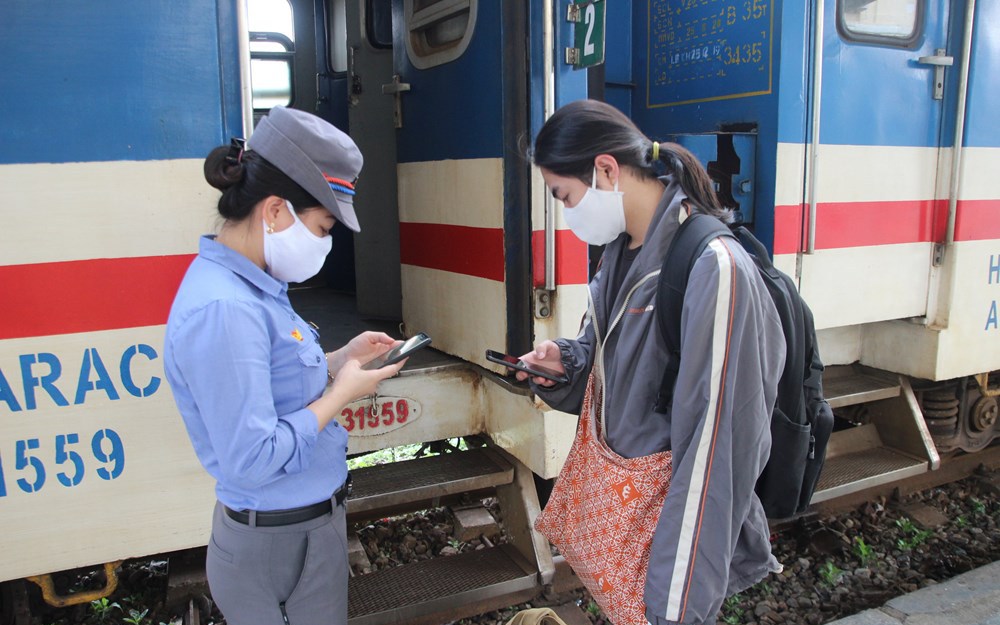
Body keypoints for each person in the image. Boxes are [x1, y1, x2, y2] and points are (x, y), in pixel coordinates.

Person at [519, 99, 785, 625]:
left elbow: (719, 455)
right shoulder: (620, 252)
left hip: (668, 546)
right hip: (633, 532)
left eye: (564, 196)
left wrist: (675, 606)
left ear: (606, 169)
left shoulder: (713, 268)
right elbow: (619, 369)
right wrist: (566, 367)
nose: (567, 213)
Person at [163, 106, 404, 625]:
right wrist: (341, 393)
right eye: (322, 227)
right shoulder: (226, 309)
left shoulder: (257, 284)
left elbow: (276, 378)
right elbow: (251, 457)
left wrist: (342, 357)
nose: (326, 243)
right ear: (275, 211)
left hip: (304, 528)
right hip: (274, 542)